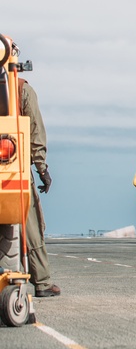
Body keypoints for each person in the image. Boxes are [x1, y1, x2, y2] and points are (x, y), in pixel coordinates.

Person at [19, 78, 60, 297]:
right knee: (31, 225)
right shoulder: (20, 89)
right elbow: (35, 131)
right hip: (13, 168)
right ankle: (42, 282)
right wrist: (42, 169)